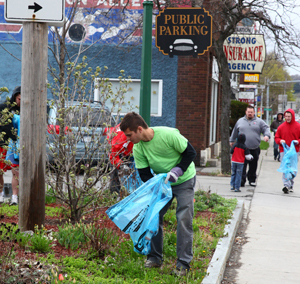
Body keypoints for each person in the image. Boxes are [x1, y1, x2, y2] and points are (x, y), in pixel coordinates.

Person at [120, 112, 196, 277]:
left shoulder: (167, 135)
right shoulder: (138, 147)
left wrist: (178, 170)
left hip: (184, 180)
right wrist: (158, 183)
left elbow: (190, 152)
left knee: (184, 219)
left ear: (139, 129)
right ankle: (154, 258)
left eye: (129, 135)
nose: (128, 139)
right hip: (163, 184)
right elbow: (144, 174)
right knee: (153, 216)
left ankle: (183, 265)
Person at [230, 105, 270, 187]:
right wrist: (231, 140)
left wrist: (267, 135)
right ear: (246, 112)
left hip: (254, 148)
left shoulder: (259, 121)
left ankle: (252, 180)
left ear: (254, 112)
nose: (250, 114)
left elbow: (266, 128)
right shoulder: (240, 121)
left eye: (251, 112)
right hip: (242, 149)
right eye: (248, 112)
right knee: (242, 165)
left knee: (253, 165)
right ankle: (242, 180)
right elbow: (234, 131)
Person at [0, 86, 20, 204]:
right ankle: (1, 195)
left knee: (15, 172)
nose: (20, 102)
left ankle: (14, 198)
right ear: (15, 97)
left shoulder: (24, 110)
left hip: (15, 146)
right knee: (1, 171)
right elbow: (5, 126)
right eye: (19, 99)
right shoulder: (5, 108)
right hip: (5, 144)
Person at [275, 109, 300, 194]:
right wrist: (280, 141)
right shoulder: (281, 127)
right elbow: (276, 137)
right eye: (286, 116)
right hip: (283, 151)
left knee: (292, 168)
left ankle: (291, 185)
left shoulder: (298, 126)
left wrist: (298, 141)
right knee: (285, 167)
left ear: (292, 116)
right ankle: (286, 185)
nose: (287, 118)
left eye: (289, 116)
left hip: (294, 151)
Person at [106, 124, 134, 195]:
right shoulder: (119, 138)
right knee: (114, 173)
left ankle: (132, 191)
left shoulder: (140, 134)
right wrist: (121, 165)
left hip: (130, 150)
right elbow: (113, 156)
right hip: (117, 151)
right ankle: (114, 195)